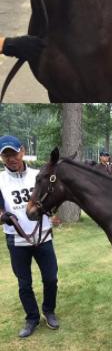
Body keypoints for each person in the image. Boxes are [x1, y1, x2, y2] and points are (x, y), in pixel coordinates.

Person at [0, 135, 59, 337]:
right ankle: (32, 318)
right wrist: (3, 216)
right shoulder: (0, 180)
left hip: (42, 237)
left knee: (51, 278)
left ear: (22, 151)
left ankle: (49, 311)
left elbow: (51, 199)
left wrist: (54, 214)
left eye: (14, 153)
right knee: (24, 283)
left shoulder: (38, 175)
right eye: (5, 155)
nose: (11, 159)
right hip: (16, 240)